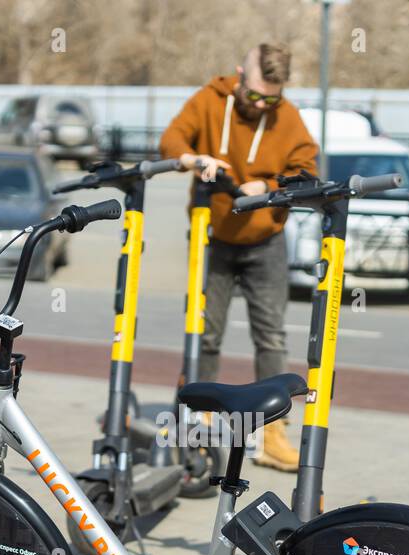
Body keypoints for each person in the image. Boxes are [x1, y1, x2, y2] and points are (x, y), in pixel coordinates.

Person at [160, 43, 318, 472]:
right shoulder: (211, 99)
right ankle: (197, 422)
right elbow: (171, 140)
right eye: (255, 94)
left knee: (270, 336)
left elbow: (308, 169)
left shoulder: (287, 116)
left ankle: (271, 433)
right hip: (215, 237)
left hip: (266, 240)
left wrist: (268, 184)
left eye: (271, 97)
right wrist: (195, 159)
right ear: (238, 76)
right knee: (205, 332)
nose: (261, 104)